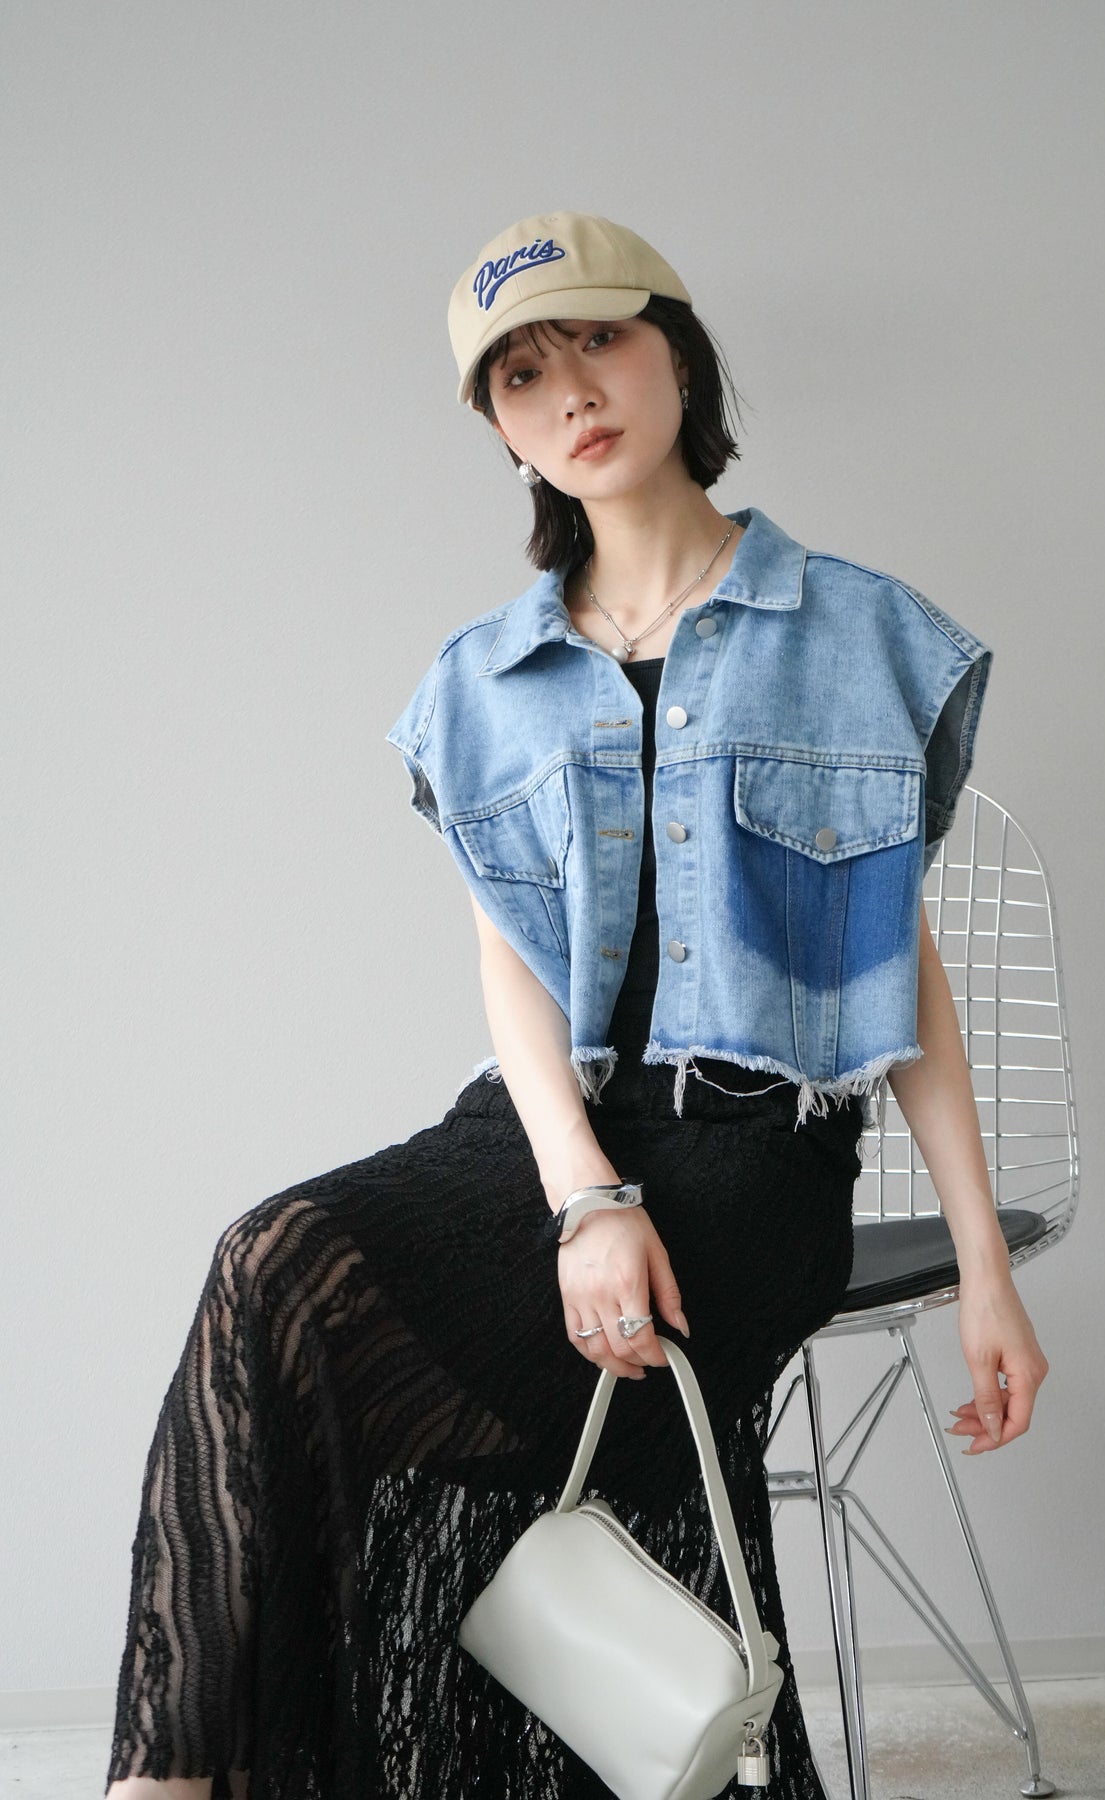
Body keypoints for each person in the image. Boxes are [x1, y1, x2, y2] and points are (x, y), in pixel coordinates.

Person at [105, 209, 1049, 1800]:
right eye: (522, 377)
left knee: (419, 1374)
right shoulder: (479, 680)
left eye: (599, 342)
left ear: (677, 352)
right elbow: (510, 968)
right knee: (272, 1263)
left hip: (754, 1165)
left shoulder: (866, 635)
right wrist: (585, 1198)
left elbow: (898, 968)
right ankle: (172, 1782)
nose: (572, 395)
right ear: (500, 429)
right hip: (542, 1144)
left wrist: (983, 1271)